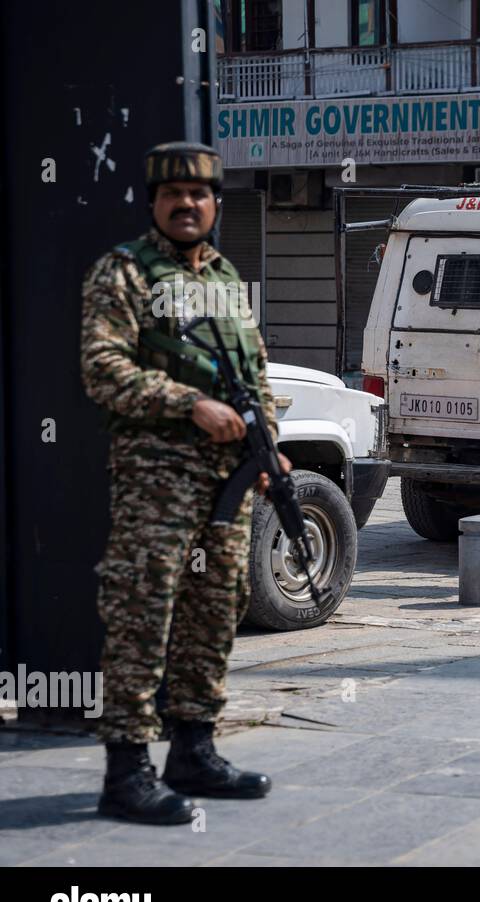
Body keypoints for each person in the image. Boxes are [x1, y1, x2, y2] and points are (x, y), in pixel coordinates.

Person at [81, 142, 282, 824]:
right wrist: (185, 402)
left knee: (217, 605)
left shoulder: (224, 277)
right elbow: (102, 367)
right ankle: (126, 769)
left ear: (215, 205)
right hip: (156, 478)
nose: (187, 205)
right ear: (155, 203)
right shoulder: (125, 272)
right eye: (174, 195)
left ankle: (193, 749)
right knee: (143, 613)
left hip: (228, 480)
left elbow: (254, 372)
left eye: (199, 195)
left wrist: (269, 446)